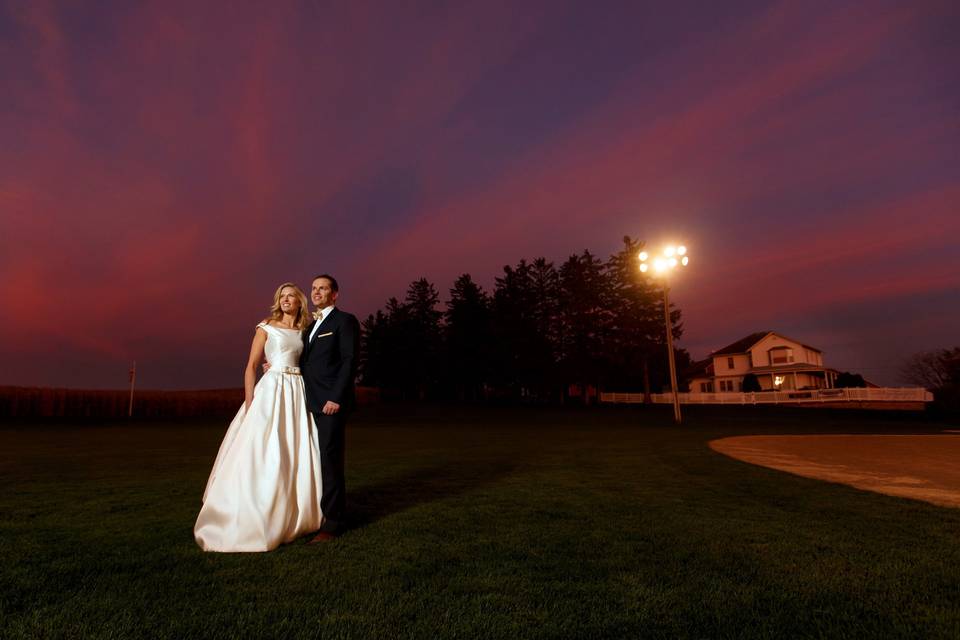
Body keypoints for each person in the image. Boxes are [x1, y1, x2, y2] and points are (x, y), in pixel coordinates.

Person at [194, 283, 323, 552]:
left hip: (298, 392)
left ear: (299, 302)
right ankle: (257, 510)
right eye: (282, 296)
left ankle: (296, 513)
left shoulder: (305, 329)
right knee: (267, 448)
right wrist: (251, 401)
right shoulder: (266, 325)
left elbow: (308, 362)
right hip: (272, 390)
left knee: (295, 448)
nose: (286, 300)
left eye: (290, 296)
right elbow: (252, 366)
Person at [299, 274, 360, 541]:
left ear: (335, 294)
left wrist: (336, 397)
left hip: (330, 403)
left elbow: (349, 361)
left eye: (323, 288)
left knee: (330, 461)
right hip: (307, 402)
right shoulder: (311, 326)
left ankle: (334, 523)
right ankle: (315, 514)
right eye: (313, 288)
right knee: (314, 460)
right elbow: (306, 363)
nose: (316, 292)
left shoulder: (344, 321)